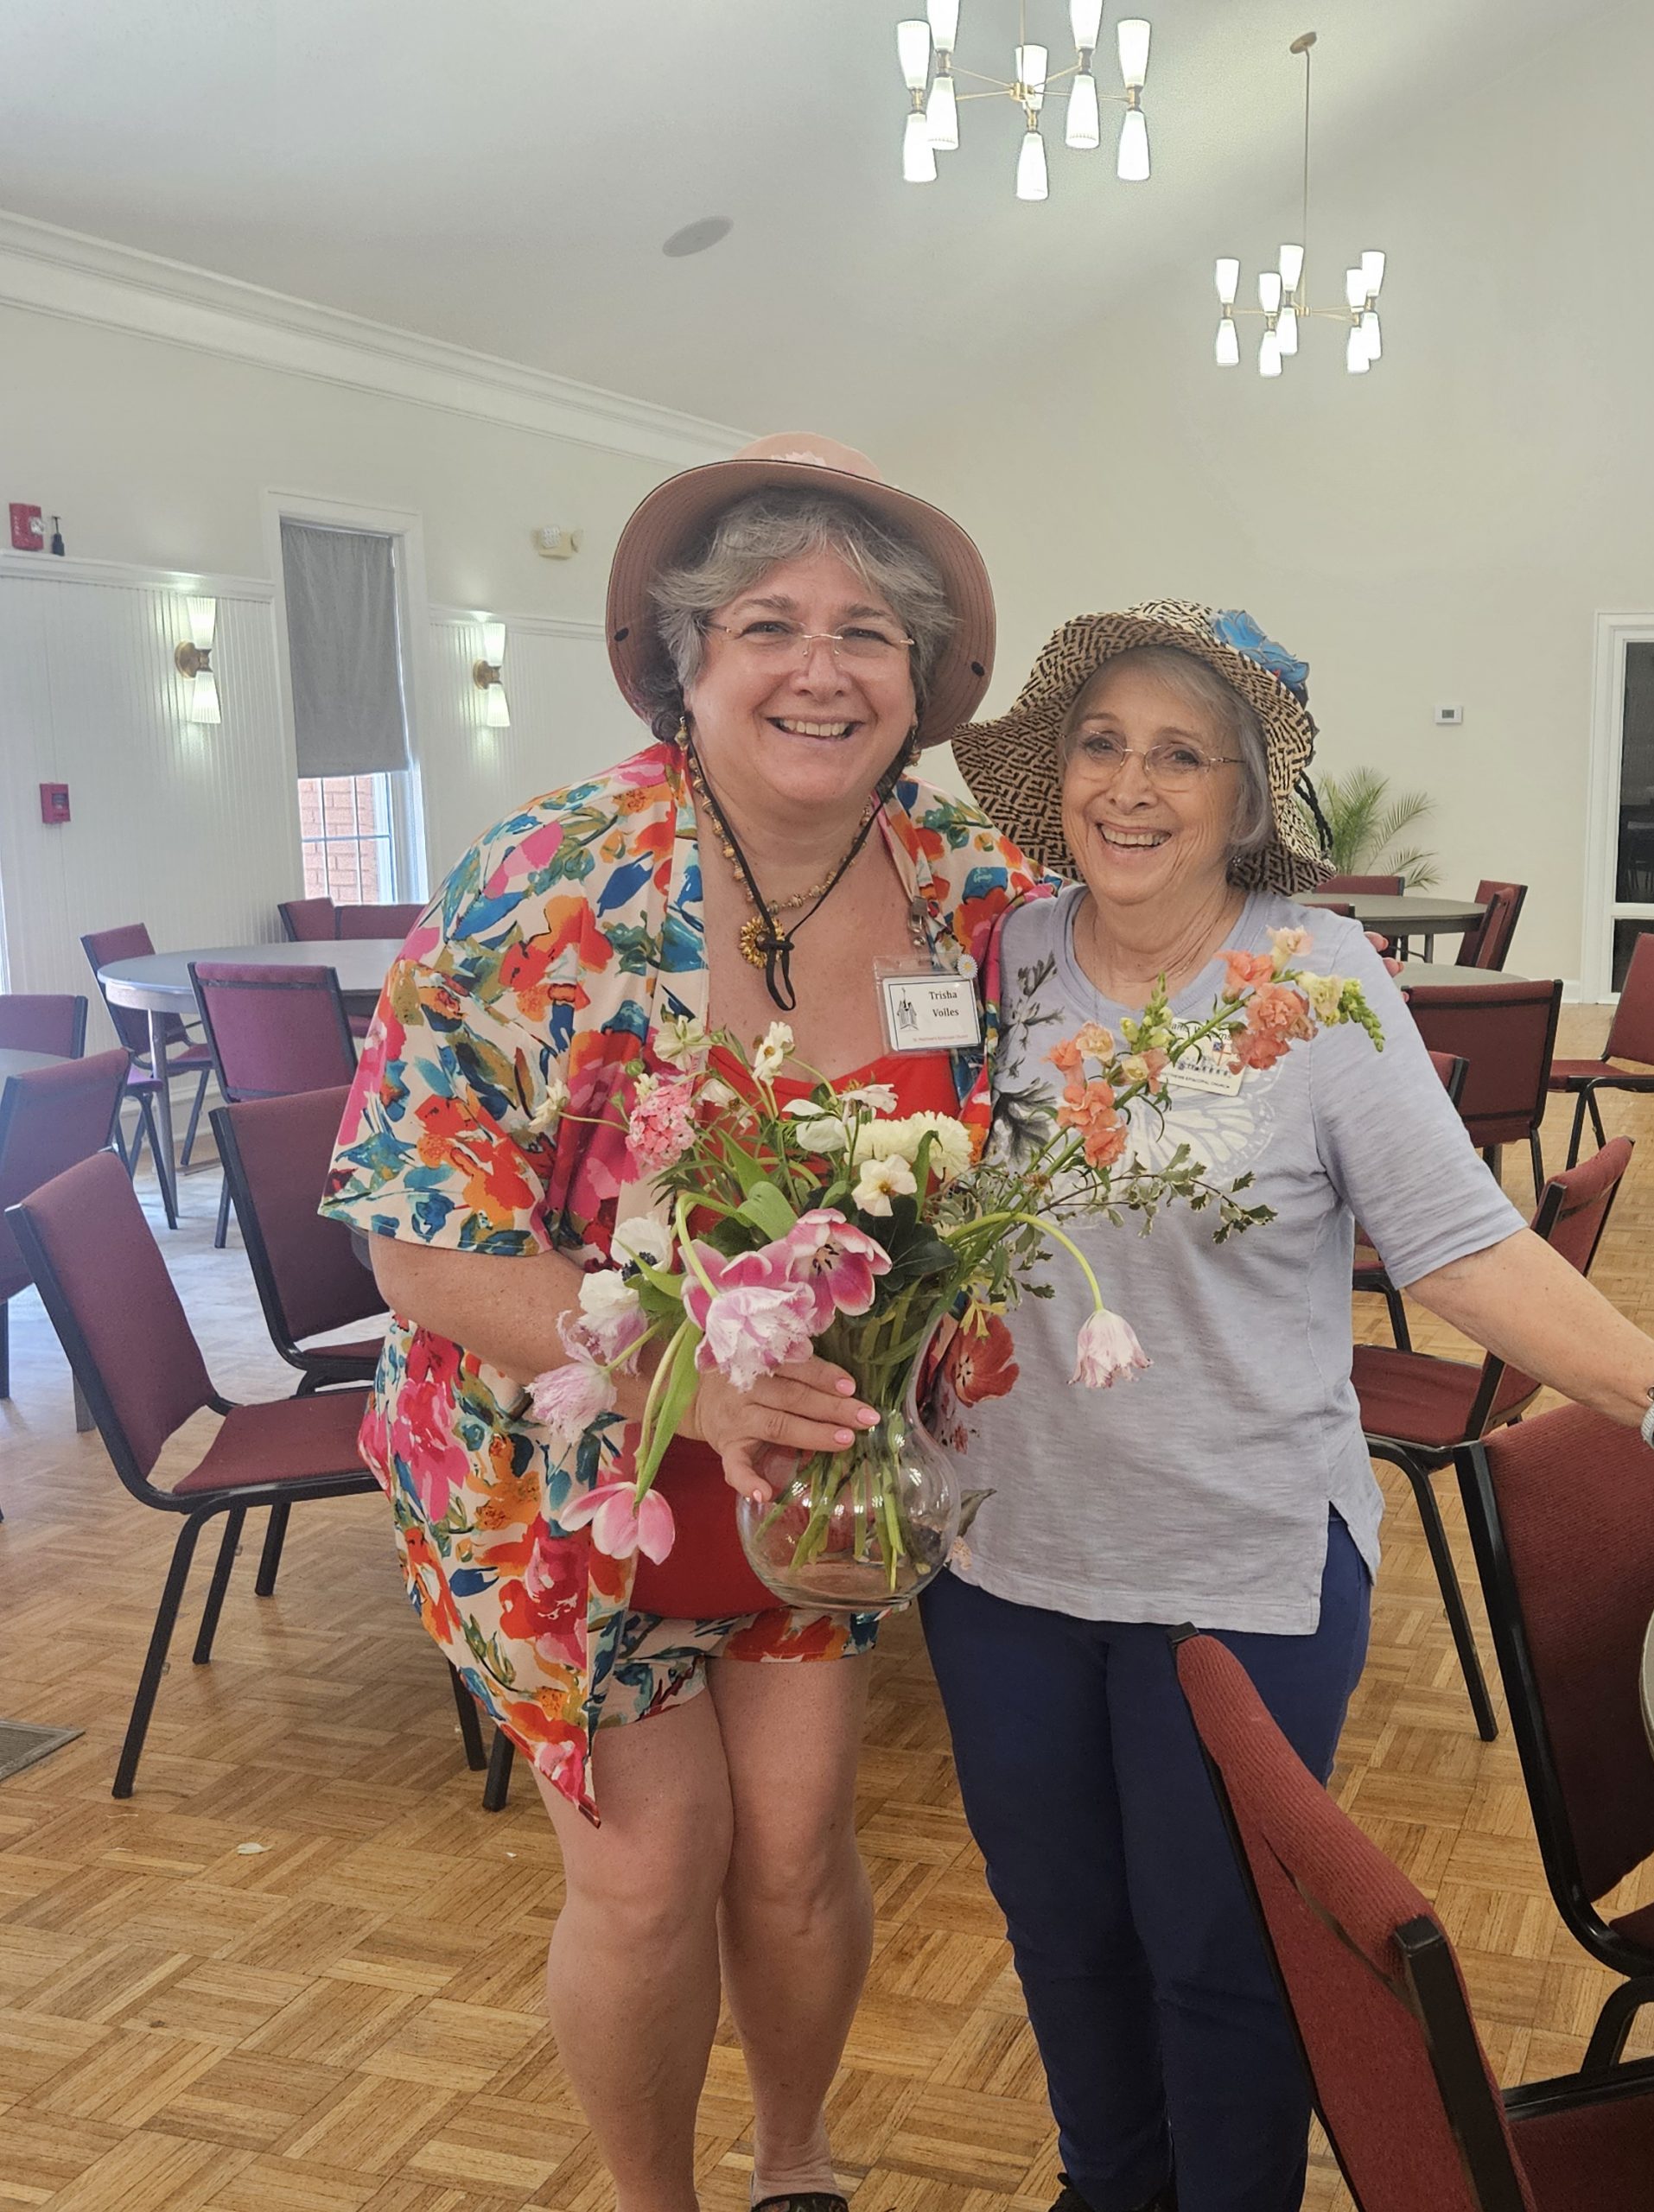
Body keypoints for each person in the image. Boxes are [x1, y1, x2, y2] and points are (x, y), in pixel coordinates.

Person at [937, 602, 1654, 2212]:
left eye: (1181, 754)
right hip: (1005, 1563)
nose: (1131, 786)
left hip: (1238, 1564)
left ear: (1245, 797)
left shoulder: (1315, 976)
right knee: (1063, 1938)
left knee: (1222, 1960)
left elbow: (1462, 1244)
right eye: (1101, 745)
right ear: (1057, 772)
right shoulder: (1002, 960)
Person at [323, 435, 1044, 2212]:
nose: (821, 669)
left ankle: (795, 2165)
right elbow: (416, 1250)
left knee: (794, 1848)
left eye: (867, 632)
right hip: (566, 1455)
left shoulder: (964, 876)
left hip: (815, 1458)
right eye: (769, 624)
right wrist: (679, 1374)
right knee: (655, 1869)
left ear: (919, 676)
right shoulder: (544, 885)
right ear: (685, 657)